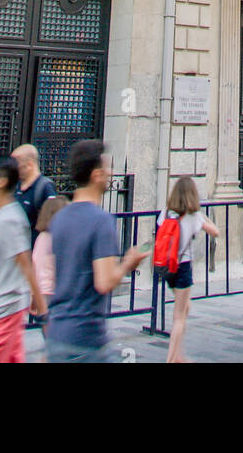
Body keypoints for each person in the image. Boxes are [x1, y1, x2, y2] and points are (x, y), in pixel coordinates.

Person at [45, 139, 147, 363]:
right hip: (85, 337)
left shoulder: (60, 217)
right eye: (107, 168)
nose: (110, 174)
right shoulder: (100, 221)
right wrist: (128, 264)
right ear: (96, 174)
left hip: (57, 332)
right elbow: (104, 282)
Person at [0, 155, 46, 363]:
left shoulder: (10, 218)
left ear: (0, 181)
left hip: (4, 306)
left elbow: (25, 262)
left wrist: (42, 308)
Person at [156, 175, 219, 364]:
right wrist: (202, 214)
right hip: (182, 267)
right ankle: (171, 359)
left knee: (185, 308)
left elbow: (159, 232)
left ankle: (179, 356)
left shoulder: (166, 212)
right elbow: (215, 231)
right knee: (179, 317)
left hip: (167, 267)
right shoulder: (194, 216)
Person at [13, 144, 56, 245]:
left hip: (34, 250)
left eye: (16, 166)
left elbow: (53, 224)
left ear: (29, 165)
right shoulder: (15, 187)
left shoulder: (44, 188)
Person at [33, 196, 70, 301]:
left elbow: (36, 264)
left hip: (42, 289)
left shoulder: (42, 237)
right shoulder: (56, 238)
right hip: (52, 290)